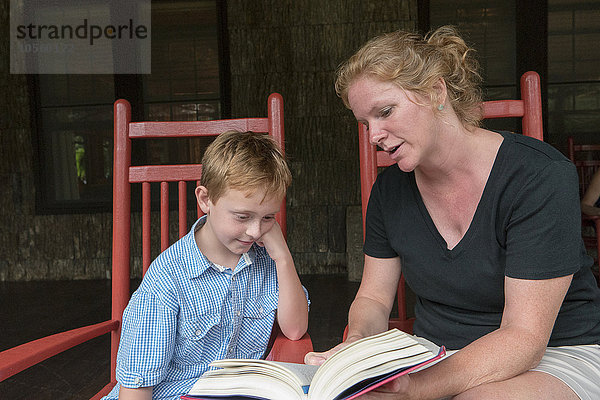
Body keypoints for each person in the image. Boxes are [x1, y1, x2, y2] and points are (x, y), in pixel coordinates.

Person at [305, 26, 600, 400]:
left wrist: (417, 388)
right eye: (365, 123)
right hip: (435, 356)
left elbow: (524, 337)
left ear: (436, 91)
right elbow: (374, 299)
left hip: (554, 356)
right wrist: (359, 344)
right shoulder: (389, 191)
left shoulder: (537, 177)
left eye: (385, 112)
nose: (373, 135)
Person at [103, 130, 309, 400]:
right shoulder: (168, 278)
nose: (256, 231)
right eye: (243, 216)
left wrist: (283, 257)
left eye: (268, 217)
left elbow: (295, 329)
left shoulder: (266, 261)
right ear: (205, 200)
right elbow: (137, 387)